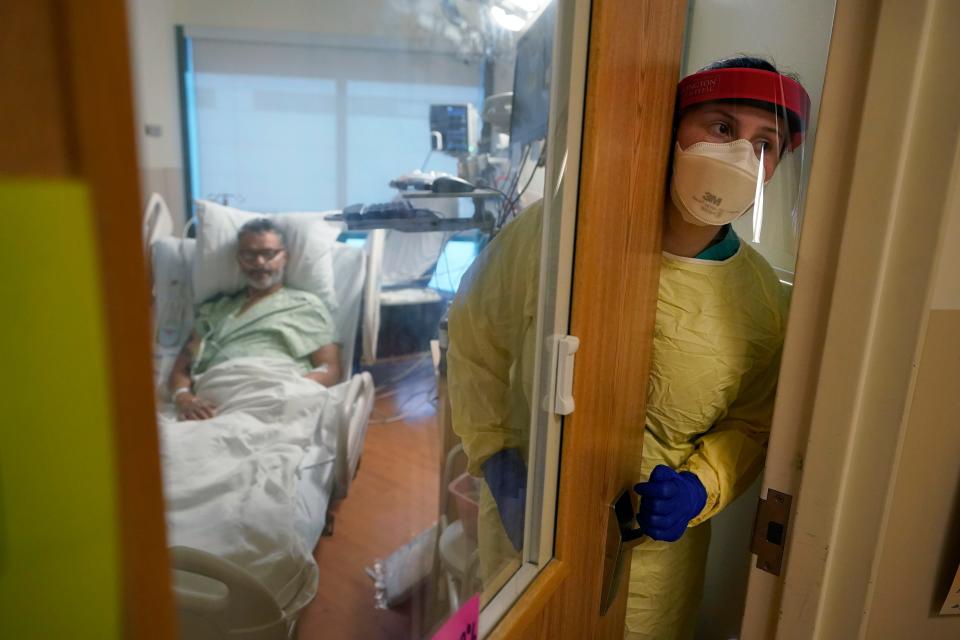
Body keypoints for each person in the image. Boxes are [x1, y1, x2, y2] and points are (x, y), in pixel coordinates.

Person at [446, 56, 809, 638]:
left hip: (652, 574)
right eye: (721, 128)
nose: (740, 156)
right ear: (672, 131)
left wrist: (700, 487)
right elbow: (474, 338)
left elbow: (754, 423)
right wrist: (499, 459)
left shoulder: (762, 301)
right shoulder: (556, 234)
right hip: (528, 533)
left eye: (764, 145)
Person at [169, 218, 342, 420]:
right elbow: (182, 367)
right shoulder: (215, 309)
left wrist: (290, 392)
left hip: (281, 393)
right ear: (238, 259)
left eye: (268, 254)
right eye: (249, 254)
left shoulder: (306, 305)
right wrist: (184, 398)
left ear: (284, 257)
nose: (259, 263)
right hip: (213, 405)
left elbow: (330, 368)